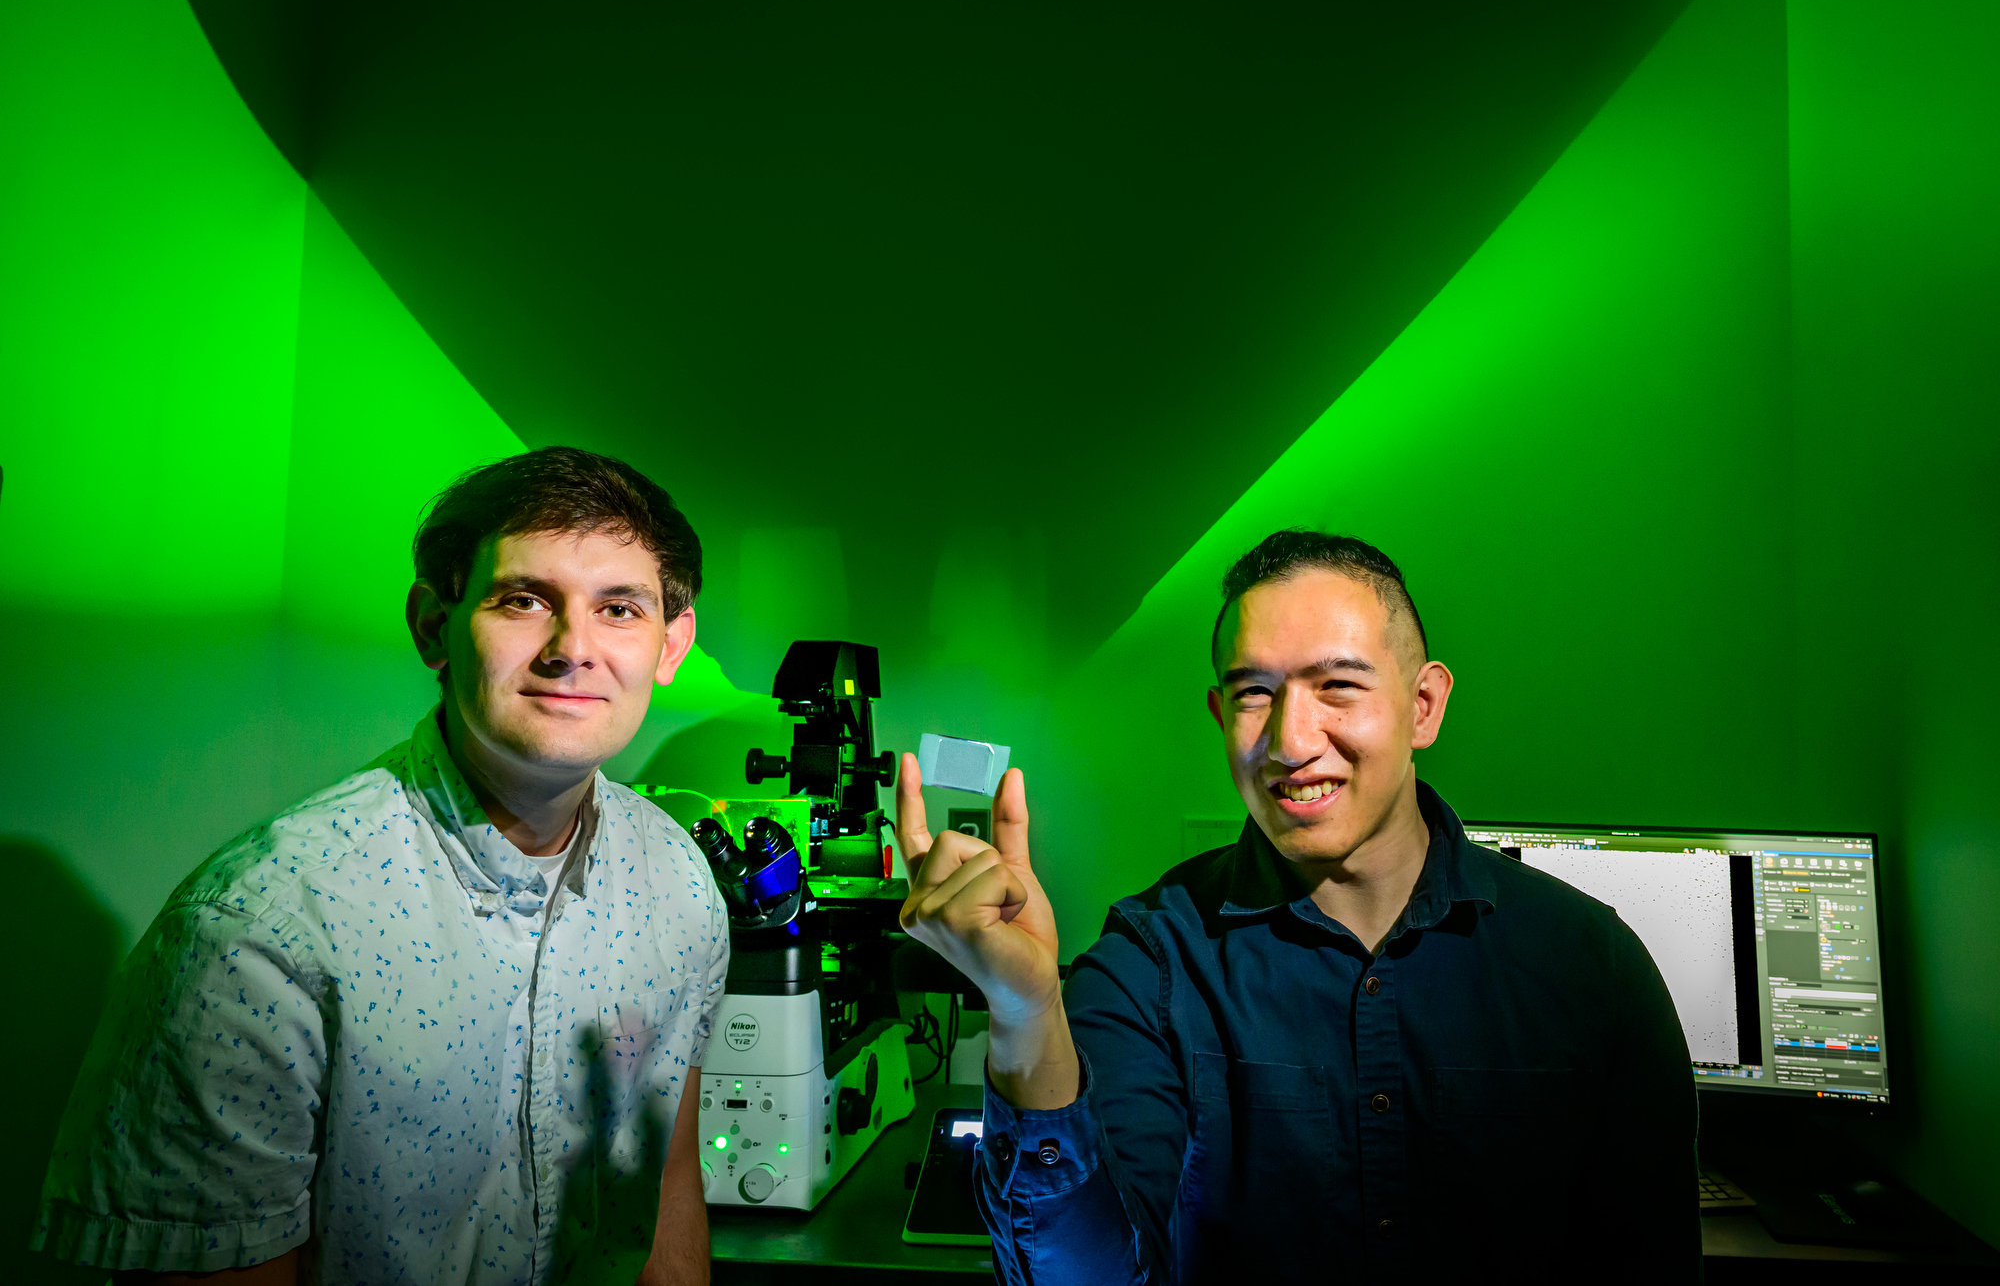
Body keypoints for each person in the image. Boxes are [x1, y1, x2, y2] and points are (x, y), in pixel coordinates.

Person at [893, 529, 1699, 1284]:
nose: (1289, 739)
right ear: (1220, 715)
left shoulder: (1590, 965)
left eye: (1338, 686)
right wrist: (1024, 1012)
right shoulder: (1149, 963)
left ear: (1423, 706)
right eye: (1255, 694)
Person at [35, 448, 728, 1286]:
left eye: (619, 608)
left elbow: (667, 1183)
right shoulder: (257, 932)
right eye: (523, 600)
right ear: (434, 625)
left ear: (671, 644)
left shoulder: (679, 881)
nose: (572, 647)